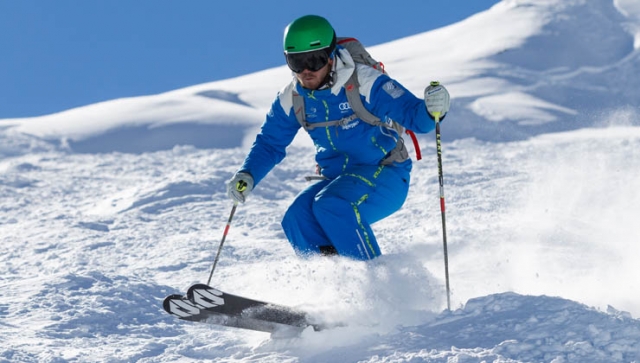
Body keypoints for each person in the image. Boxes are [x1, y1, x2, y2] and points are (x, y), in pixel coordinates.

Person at [226, 15, 450, 261]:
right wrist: (248, 174)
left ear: (331, 56)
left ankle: (378, 281)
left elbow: (415, 117)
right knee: (297, 217)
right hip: (339, 179)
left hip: (385, 174)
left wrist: (432, 110)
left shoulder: (364, 81)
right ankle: (332, 284)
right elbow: (270, 142)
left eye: (314, 59)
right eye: (296, 62)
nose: (306, 71)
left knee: (331, 204)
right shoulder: (292, 98)